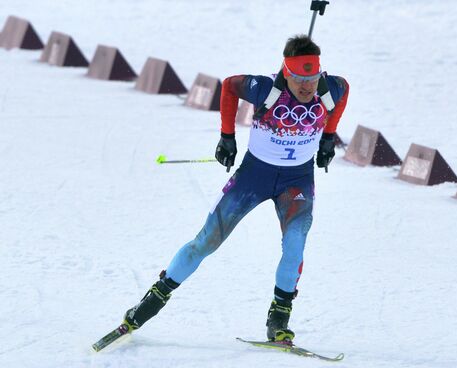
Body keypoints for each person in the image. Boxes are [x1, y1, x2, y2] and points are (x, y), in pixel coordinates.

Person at [121, 34, 349, 343]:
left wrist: (327, 137)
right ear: (286, 72)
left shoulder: (329, 88)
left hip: (297, 181)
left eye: (311, 78)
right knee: (206, 242)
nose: (307, 87)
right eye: (299, 79)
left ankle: (278, 319)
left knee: (295, 245)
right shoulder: (266, 88)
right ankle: (153, 300)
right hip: (253, 177)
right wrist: (226, 136)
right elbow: (228, 85)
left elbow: (344, 90)